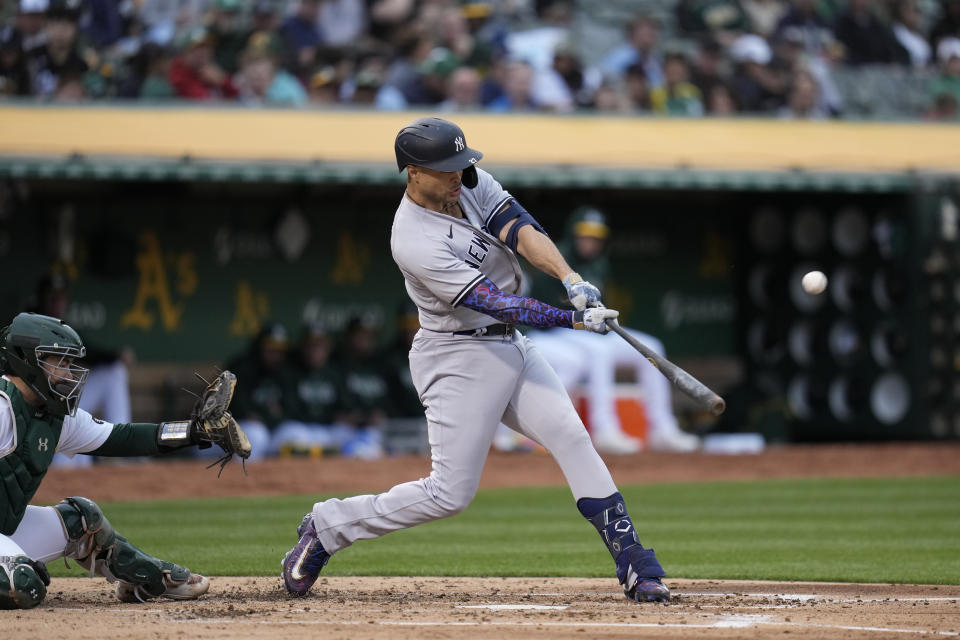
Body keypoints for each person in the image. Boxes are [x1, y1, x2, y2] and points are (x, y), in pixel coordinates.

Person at [281, 116, 671, 605]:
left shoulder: (467, 182)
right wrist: (572, 322)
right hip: (457, 354)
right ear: (413, 172)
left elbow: (519, 227)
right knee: (449, 494)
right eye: (445, 169)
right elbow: (493, 301)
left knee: (572, 438)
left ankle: (635, 562)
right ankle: (328, 525)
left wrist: (571, 278)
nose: (457, 176)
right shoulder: (413, 238)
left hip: (510, 344)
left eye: (460, 165)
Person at [0, 312, 215, 608]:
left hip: (4, 531)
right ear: (26, 361)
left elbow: (121, 437)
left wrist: (195, 432)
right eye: (59, 363)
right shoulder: (2, 407)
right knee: (21, 585)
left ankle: (146, 577)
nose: (68, 373)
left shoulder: (52, 418)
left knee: (82, 521)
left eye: (69, 363)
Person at [525, 207, 700, 455]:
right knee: (599, 352)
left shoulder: (599, 263)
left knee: (653, 347)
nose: (591, 242)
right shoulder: (557, 260)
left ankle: (662, 429)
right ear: (573, 234)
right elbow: (543, 313)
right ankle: (604, 429)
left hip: (588, 331)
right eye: (585, 235)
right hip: (555, 330)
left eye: (596, 237)